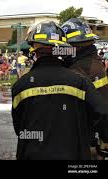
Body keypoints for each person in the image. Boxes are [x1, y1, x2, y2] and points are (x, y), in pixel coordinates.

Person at [12, 21, 108, 160]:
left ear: (34, 48)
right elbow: (103, 114)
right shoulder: (80, 81)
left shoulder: (20, 85)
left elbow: (19, 129)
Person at [62, 18, 108, 159]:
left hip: (87, 143)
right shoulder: (92, 64)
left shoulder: (83, 69)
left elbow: (102, 111)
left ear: (75, 45)